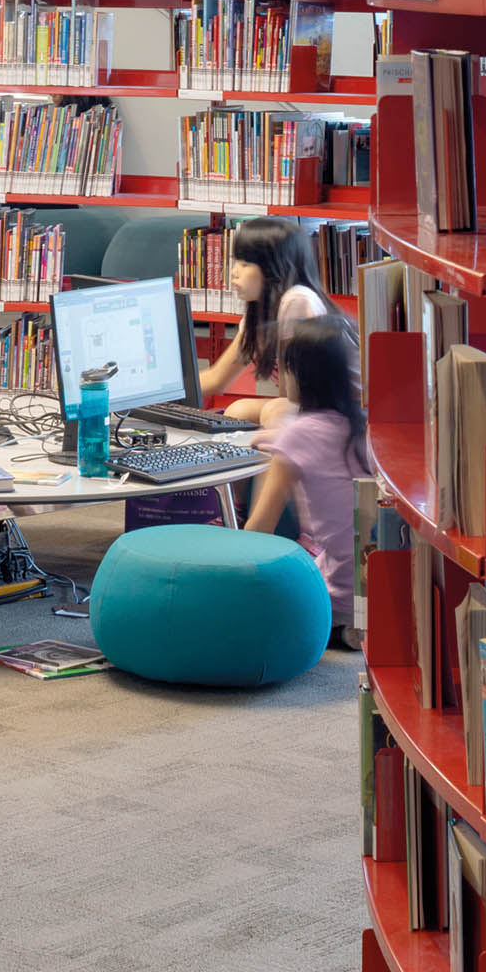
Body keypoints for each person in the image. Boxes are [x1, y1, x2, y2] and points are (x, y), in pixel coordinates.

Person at [242, 313, 368, 651]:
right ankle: (355, 625)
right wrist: (280, 439)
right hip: (375, 589)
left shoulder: (298, 436)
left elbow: (258, 530)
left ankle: (339, 627)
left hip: (336, 596)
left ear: (301, 374)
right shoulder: (361, 426)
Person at [199, 215, 334, 430]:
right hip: (308, 408)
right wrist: (158, 394)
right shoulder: (259, 315)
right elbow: (216, 378)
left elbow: (291, 399)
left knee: (274, 411)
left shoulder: (297, 301)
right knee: (238, 411)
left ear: (274, 268)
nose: (234, 272)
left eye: (245, 264)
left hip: (338, 413)